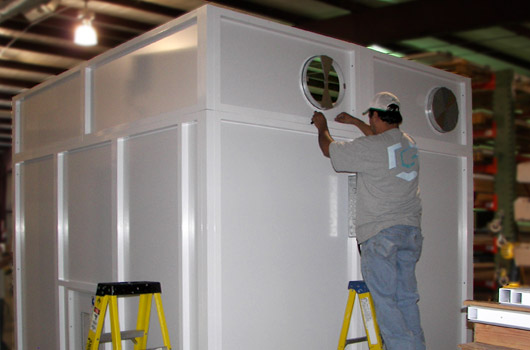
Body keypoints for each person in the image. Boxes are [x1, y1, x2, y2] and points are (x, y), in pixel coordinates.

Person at [311, 92, 425, 350]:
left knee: (386, 303)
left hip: (382, 234)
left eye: (370, 117)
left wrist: (323, 127)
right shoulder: (409, 144)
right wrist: (354, 122)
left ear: (375, 115)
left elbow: (330, 150)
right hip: (410, 234)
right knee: (406, 300)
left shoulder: (373, 147)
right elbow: (381, 142)